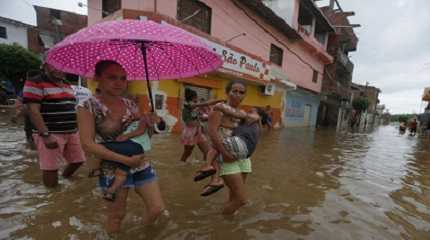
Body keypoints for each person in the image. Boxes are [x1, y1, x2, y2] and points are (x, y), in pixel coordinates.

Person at [77, 60, 164, 233]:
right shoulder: (87, 106)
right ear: (97, 78)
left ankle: (136, 234)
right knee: (117, 216)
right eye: (112, 77)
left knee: (157, 209)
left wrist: (151, 124)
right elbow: (87, 144)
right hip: (112, 166)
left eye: (123, 78)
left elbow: (142, 136)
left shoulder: (131, 104)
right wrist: (125, 160)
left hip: (140, 163)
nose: (119, 82)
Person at [23, 63, 86, 188]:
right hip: (50, 132)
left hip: (72, 131)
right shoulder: (35, 82)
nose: (59, 69)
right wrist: (45, 135)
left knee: (78, 160)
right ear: (45, 66)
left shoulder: (66, 83)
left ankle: (64, 179)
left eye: (62, 66)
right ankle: (52, 195)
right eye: (54, 66)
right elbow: (33, 110)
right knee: (50, 168)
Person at [206, 80, 252, 214]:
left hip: (243, 158)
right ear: (227, 92)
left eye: (241, 92)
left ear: (244, 95)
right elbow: (212, 133)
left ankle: (230, 223)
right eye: (234, 91)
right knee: (241, 200)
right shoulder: (219, 109)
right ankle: (221, 222)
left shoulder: (242, 113)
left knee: (234, 196)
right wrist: (225, 153)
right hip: (227, 158)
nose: (237, 94)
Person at [194, 106, 261, 197]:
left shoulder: (252, 117)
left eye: (252, 111)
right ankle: (218, 180)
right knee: (236, 189)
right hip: (245, 154)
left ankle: (208, 167)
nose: (248, 112)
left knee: (215, 147)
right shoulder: (246, 126)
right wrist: (213, 120)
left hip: (238, 146)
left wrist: (220, 107)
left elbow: (233, 115)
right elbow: (229, 125)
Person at [179, 88, 221, 162]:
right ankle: (181, 165)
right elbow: (206, 103)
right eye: (196, 97)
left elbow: (197, 118)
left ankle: (206, 167)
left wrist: (206, 119)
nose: (197, 98)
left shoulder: (193, 107)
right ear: (192, 97)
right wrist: (219, 101)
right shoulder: (189, 105)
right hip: (190, 133)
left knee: (207, 152)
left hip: (197, 131)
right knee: (187, 153)